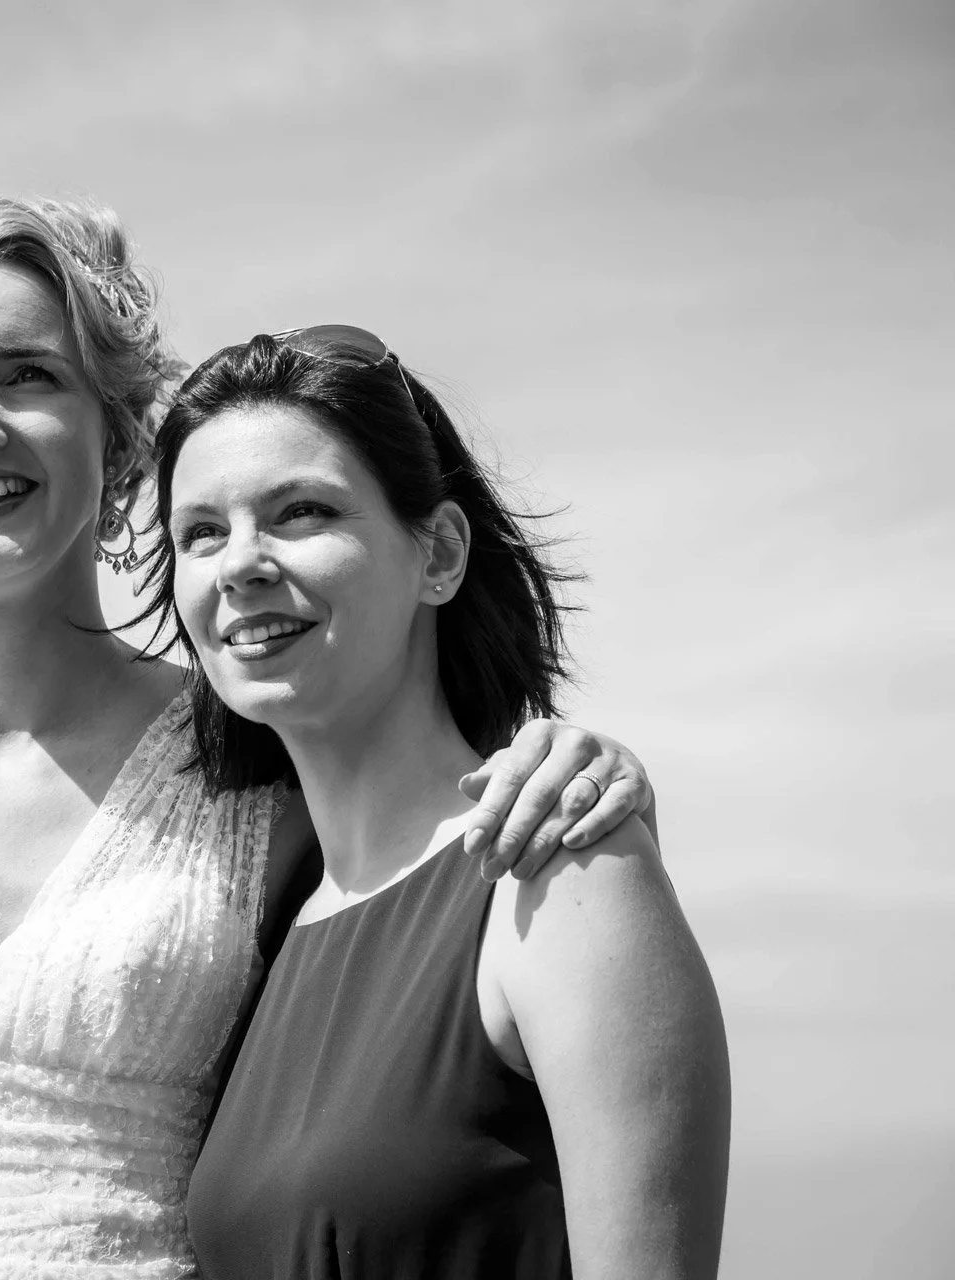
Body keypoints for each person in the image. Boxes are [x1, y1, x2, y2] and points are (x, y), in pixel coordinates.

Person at [0, 195, 657, 1280]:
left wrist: (586, 767)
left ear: (122, 428)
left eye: (27, 374)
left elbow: (423, 853)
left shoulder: (252, 755)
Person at [162, 329, 730, 1280]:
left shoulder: (564, 873)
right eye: (201, 532)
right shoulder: (263, 928)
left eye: (301, 512)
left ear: (440, 553)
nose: (240, 565)